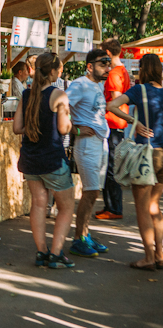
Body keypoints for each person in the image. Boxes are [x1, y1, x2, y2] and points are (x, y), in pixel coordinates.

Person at [13, 53, 75, 268]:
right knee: (66, 206)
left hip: (30, 159)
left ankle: (41, 251)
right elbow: (63, 128)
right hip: (52, 159)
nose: (61, 72)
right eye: (59, 68)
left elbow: (16, 128)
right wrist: (70, 118)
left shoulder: (27, 95)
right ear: (52, 72)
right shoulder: (59, 95)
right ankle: (56, 253)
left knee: (38, 204)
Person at [106, 54, 163, 270]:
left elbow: (112, 105)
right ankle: (160, 254)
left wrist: (134, 122)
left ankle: (148, 257)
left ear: (142, 69)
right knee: (154, 206)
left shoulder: (139, 91)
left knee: (142, 208)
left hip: (147, 154)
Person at [65, 49, 111, 258]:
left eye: (108, 64)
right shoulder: (79, 84)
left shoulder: (98, 85)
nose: (107, 68)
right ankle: (78, 239)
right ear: (90, 66)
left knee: (95, 191)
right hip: (86, 144)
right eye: (103, 64)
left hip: (101, 142)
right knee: (90, 191)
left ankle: (85, 234)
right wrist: (75, 129)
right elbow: (60, 107)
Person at [97, 38, 130, 220]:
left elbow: (116, 99)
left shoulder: (114, 74)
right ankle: (110, 206)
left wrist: (106, 108)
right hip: (117, 125)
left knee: (111, 168)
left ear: (108, 53)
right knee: (112, 166)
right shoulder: (122, 71)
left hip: (113, 124)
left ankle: (114, 209)